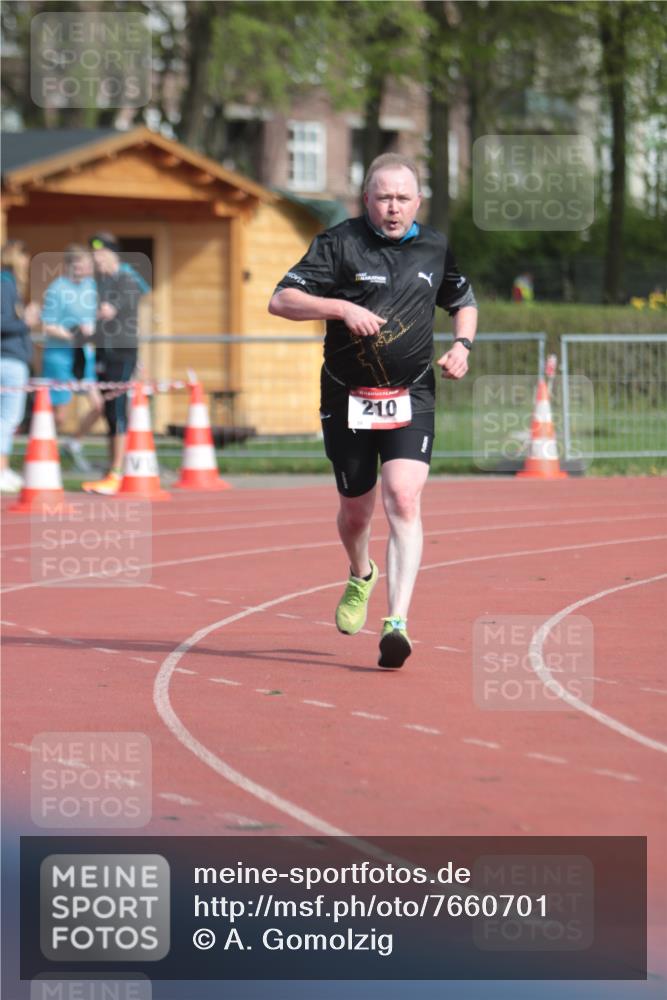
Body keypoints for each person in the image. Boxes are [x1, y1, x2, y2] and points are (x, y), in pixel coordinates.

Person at [268, 152, 478, 669]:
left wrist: (463, 345)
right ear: (366, 199)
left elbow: (463, 300)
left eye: (403, 198)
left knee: (403, 498)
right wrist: (339, 306)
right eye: (383, 197)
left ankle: (397, 622)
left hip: (412, 394)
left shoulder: (434, 246)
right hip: (347, 396)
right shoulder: (338, 243)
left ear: (418, 202)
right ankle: (361, 573)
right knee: (355, 511)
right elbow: (281, 300)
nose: (393, 207)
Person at [82, 233, 146, 496]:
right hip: (104, 351)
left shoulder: (126, 279)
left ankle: (117, 471)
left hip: (122, 352)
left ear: (110, 254)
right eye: (93, 255)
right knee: (108, 409)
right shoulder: (101, 281)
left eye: (99, 254)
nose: (95, 259)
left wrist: (94, 316)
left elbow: (113, 311)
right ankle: (112, 469)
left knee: (117, 409)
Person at [41, 244, 103, 472]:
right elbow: (48, 325)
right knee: (59, 415)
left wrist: (95, 325)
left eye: (86, 265)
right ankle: (46, 455)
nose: (83, 269)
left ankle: (74, 442)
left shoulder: (92, 287)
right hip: (59, 356)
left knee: (99, 405)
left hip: (84, 355)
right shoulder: (57, 289)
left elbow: (94, 318)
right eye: (78, 265)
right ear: (69, 266)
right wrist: (70, 334)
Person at [1, 240, 40, 493]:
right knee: (7, 418)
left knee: (7, 418)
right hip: (8, 359)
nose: (28, 263)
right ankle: (1, 469)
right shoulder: (5, 284)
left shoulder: (8, 284)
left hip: (12, 358)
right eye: (25, 257)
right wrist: (26, 321)